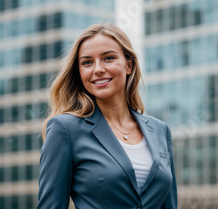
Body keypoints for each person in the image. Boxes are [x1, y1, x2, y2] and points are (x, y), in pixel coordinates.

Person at [36, 23, 177, 209]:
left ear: (128, 65)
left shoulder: (160, 130)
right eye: (87, 62)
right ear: (79, 72)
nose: (98, 69)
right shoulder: (65, 129)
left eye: (108, 58)